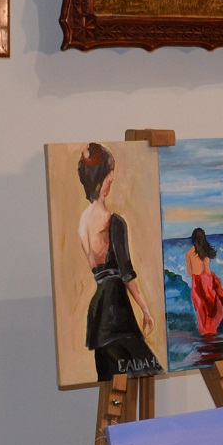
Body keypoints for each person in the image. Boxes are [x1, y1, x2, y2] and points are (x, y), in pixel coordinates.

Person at [75, 143, 161, 380]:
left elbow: (97, 268)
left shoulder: (83, 223)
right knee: (147, 373)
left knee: (110, 381)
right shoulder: (114, 222)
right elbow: (126, 272)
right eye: (109, 174)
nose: (112, 179)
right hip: (116, 310)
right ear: (100, 178)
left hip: (98, 314)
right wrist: (145, 310)